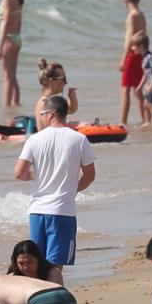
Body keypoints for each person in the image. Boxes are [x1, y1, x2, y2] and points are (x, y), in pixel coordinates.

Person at [14, 95, 94, 277]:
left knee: (35, 264)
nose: (40, 117)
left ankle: (36, 301)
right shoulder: (79, 139)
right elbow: (90, 175)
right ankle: (53, 301)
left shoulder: (34, 139)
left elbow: (19, 173)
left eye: (42, 113)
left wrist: (38, 174)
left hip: (37, 210)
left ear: (51, 113)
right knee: (55, 267)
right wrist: (73, 188)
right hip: (62, 210)